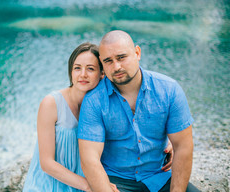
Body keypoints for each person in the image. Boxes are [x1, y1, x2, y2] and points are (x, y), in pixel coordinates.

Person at [23, 42, 173, 192]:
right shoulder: (51, 104)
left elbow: (136, 127)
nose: (83, 74)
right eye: (77, 68)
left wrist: (166, 144)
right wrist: (89, 185)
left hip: (91, 181)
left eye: (90, 69)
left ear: (102, 73)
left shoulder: (105, 104)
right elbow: (47, 163)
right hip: (52, 185)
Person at [78, 30, 199, 192]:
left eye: (121, 57)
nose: (117, 66)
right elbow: (89, 159)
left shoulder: (169, 90)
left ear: (137, 53)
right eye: (108, 61)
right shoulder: (94, 101)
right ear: (102, 62)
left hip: (159, 177)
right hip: (114, 181)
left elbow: (183, 146)